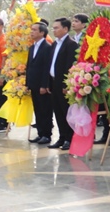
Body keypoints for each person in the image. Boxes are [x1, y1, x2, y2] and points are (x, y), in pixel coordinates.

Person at [48, 18, 79, 150]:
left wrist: (66, 85)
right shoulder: (55, 44)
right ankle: (61, 137)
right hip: (54, 82)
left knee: (66, 112)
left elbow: (70, 66)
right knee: (58, 112)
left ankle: (69, 138)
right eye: (53, 28)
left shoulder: (71, 44)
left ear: (65, 29)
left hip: (64, 84)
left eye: (56, 28)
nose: (54, 30)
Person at [25, 22, 55, 145]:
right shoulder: (32, 47)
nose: (31, 32)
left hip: (42, 85)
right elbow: (29, 66)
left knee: (45, 110)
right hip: (33, 83)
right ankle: (40, 133)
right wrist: (27, 83)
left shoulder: (47, 47)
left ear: (42, 32)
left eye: (34, 30)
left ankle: (47, 135)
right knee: (37, 109)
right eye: (31, 29)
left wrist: (44, 85)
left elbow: (46, 68)